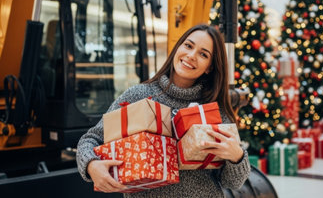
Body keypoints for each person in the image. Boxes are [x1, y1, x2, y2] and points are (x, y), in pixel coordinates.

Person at [76, 24, 250, 197]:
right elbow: (91, 139)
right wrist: (91, 165)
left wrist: (238, 156)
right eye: (188, 46)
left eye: (203, 54)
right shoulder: (138, 95)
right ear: (177, 47)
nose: (191, 56)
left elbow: (232, 183)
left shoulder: (213, 112)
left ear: (210, 67)